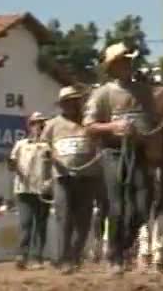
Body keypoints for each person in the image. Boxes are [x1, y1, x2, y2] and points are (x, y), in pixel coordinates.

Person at [82, 42, 157, 276]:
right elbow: (89, 126)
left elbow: (153, 121)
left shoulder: (144, 91)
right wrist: (114, 126)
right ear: (113, 67)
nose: (128, 65)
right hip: (113, 153)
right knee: (117, 207)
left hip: (140, 154)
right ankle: (115, 256)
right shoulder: (102, 93)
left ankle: (123, 247)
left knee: (142, 206)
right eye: (123, 61)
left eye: (129, 61)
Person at [41, 85, 100, 274]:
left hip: (87, 177)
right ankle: (63, 258)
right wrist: (46, 173)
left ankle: (75, 255)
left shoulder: (89, 123)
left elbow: (100, 144)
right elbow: (43, 147)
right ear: (62, 105)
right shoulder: (52, 125)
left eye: (74, 101)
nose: (71, 105)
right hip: (62, 177)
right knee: (63, 218)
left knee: (83, 220)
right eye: (67, 102)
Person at [7, 112, 51, 270]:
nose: (39, 126)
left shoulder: (49, 145)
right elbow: (12, 164)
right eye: (35, 123)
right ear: (29, 125)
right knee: (25, 223)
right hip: (24, 189)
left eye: (42, 123)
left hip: (43, 190)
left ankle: (37, 257)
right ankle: (22, 255)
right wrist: (11, 164)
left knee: (40, 224)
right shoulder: (21, 144)